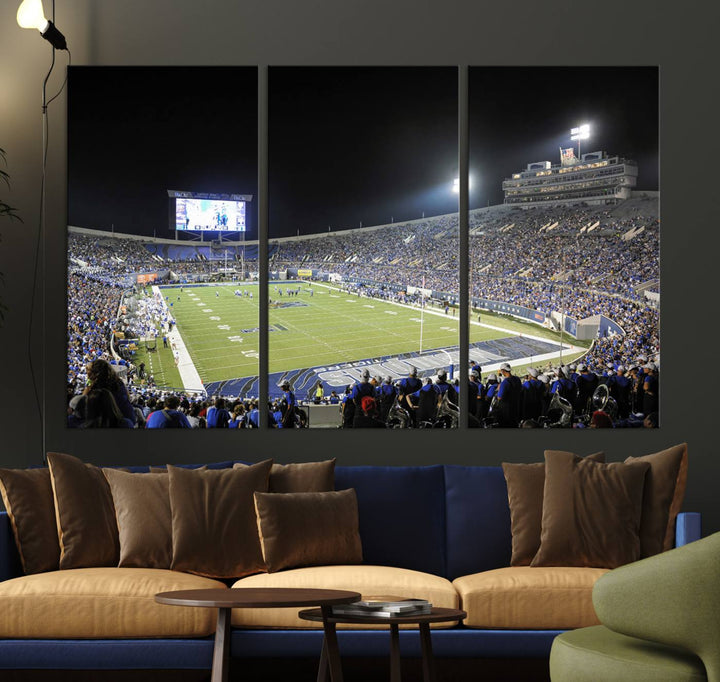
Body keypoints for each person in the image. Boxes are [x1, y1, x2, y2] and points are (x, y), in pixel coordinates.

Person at [84, 358, 137, 426]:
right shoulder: (118, 382)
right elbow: (128, 397)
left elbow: (84, 404)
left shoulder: (97, 389)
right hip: (128, 417)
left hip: (115, 421)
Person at [495, 362, 521, 427]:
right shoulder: (517, 379)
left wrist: (498, 389)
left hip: (506, 409)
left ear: (503, 371)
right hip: (516, 405)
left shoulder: (505, 382)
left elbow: (499, 397)